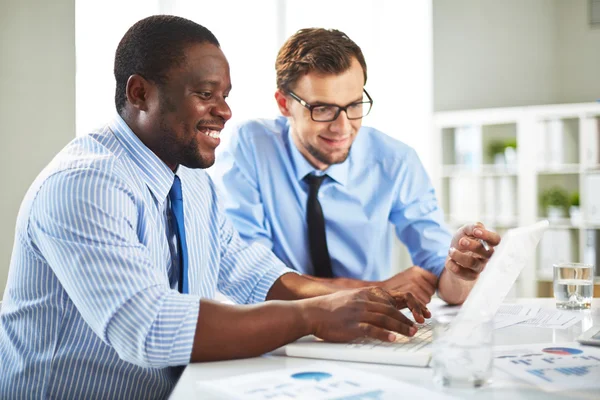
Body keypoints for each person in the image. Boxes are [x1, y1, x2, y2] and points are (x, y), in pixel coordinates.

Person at [0, 16, 428, 399]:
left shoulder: (191, 178)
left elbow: (252, 272)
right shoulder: (86, 183)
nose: (224, 111)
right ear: (140, 92)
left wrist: (364, 300)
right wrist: (314, 315)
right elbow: (149, 327)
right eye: (206, 94)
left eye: (225, 95)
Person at [212, 28, 501, 307]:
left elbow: (442, 276)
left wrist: (460, 270)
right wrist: (373, 291)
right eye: (322, 109)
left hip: (367, 327)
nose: (342, 127)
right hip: (279, 325)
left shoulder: (395, 161)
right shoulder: (250, 147)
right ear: (284, 104)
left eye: (354, 105)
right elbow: (250, 275)